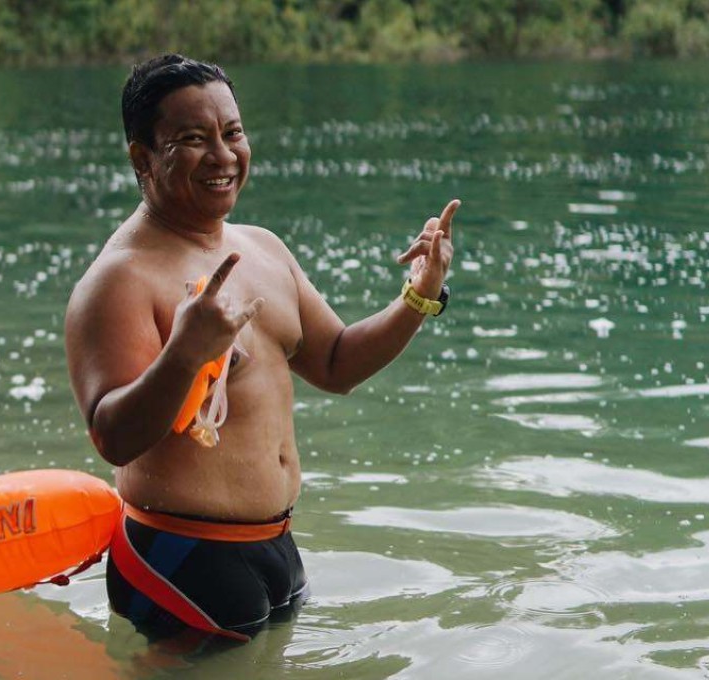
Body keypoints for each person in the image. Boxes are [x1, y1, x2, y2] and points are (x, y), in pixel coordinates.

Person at [65, 53, 458, 643]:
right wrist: (184, 354)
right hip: (180, 560)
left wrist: (419, 297)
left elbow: (335, 363)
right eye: (193, 139)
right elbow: (112, 437)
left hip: (276, 550)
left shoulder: (264, 250)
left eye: (233, 132)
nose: (223, 156)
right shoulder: (118, 280)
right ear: (142, 158)